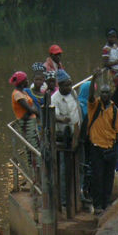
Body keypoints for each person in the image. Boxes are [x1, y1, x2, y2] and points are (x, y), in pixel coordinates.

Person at [87, 69, 118, 214]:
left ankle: (106, 203)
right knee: (97, 177)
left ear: (110, 94)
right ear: (100, 94)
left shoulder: (115, 110)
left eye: (107, 93)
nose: (105, 95)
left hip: (110, 147)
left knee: (109, 177)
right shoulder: (94, 106)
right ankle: (98, 205)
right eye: (102, 93)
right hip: (96, 147)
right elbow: (90, 96)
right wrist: (93, 80)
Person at [50, 70, 82, 208]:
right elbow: (54, 115)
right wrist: (63, 119)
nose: (69, 88)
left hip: (76, 134)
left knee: (79, 166)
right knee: (64, 169)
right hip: (64, 137)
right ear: (60, 85)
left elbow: (78, 110)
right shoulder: (54, 98)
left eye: (70, 84)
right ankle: (63, 199)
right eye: (66, 85)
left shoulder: (73, 93)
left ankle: (78, 193)